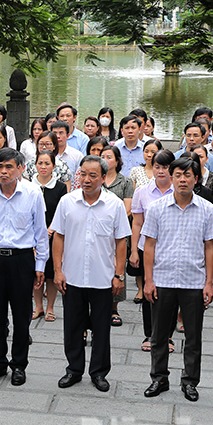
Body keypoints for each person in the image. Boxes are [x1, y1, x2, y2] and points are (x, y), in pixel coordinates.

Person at [141, 156, 213, 402]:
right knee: (159, 335)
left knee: (193, 336)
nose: (182, 179)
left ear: (196, 179)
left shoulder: (207, 209)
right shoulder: (156, 208)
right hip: (163, 280)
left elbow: (210, 247)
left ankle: (190, 381)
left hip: (193, 282)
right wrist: (148, 280)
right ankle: (159, 378)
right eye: (178, 175)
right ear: (171, 177)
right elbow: (150, 245)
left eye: (188, 175)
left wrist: (208, 282)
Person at [51, 155, 129, 392]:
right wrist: (58, 270)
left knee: (101, 327)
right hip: (72, 274)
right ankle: (74, 369)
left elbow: (121, 241)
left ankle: (98, 372)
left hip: (102, 277)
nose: (86, 179)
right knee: (73, 326)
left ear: (103, 178)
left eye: (92, 175)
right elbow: (59, 237)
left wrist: (119, 275)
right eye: (83, 174)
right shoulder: (67, 202)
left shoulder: (114, 204)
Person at [0, 148, 48, 387]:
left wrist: (40, 265)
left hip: (22, 259)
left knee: (21, 314)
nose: (3, 172)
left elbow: (40, 233)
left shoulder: (33, 193)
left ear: (21, 168)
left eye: (8, 167)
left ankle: (19, 364)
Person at [130, 149, 174, 351]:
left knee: (171, 294)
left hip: (172, 249)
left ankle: (168, 336)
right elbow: (137, 223)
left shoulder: (180, 191)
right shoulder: (142, 191)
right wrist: (133, 250)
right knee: (149, 290)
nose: (161, 171)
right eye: (157, 167)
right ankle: (149, 334)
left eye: (165, 167)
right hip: (147, 248)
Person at [32, 151, 68, 322]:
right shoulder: (28, 185)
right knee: (35, 273)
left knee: (51, 273)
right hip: (32, 235)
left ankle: (50, 308)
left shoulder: (60, 187)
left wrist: (50, 229)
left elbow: (61, 212)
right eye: (40, 163)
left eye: (47, 163)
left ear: (53, 166)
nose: (43, 167)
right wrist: (37, 230)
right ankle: (38, 306)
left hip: (53, 235)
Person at [102, 145, 134, 325]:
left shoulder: (125, 182)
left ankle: (114, 308)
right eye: (102, 156)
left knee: (118, 266)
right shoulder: (97, 179)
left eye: (109, 156)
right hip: (99, 231)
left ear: (117, 160)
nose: (106, 159)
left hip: (117, 230)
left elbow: (127, 208)